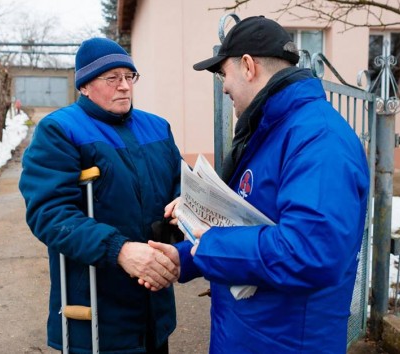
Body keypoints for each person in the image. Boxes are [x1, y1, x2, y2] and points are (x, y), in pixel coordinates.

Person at [148, 16, 370, 353]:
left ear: (248, 66)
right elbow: (250, 222)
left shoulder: (318, 138)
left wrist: (209, 248)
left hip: (286, 341)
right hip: (250, 332)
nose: (224, 89)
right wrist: (187, 257)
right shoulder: (273, 130)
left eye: (225, 76)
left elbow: (310, 251)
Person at [19, 37, 182, 353]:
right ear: (84, 86)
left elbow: (181, 182)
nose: (124, 86)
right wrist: (119, 249)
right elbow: (50, 213)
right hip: (97, 310)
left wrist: (182, 202)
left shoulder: (157, 127)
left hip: (155, 305)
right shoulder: (59, 130)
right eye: (112, 78)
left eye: (129, 77)